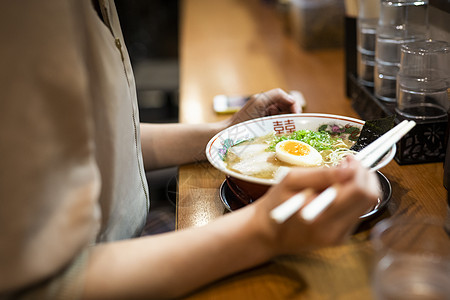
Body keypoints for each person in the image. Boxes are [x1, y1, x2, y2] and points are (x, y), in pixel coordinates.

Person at [0, 1, 380, 299]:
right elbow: (40, 287)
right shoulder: (30, 15)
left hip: (132, 233)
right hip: (120, 266)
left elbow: (99, 139)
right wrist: (266, 232)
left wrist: (223, 134)